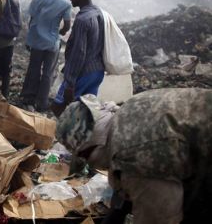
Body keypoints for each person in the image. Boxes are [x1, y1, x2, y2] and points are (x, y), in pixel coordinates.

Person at [56, 89, 212, 223]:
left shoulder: (130, 155)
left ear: (92, 146)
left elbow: (160, 216)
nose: (92, 164)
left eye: (85, 158)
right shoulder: (128, 110)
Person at [51, 0, 105, 116]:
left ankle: (58, 137)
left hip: (83, 73)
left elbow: (79, 53)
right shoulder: (98, 12)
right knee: (85, 112)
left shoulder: (82, 20)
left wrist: (70, 83)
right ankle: (79, 137)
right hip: (97, 71)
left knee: (59, 108)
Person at [20, 0, 72, 112]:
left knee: (34, 70)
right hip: (52, 43)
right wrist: (59, 32)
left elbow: (32, 21)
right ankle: (42, 103)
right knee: (48, 73)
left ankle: (28, 99)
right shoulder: (65, 3)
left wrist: (29, 39)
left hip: (36, 41)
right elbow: (67, 26)